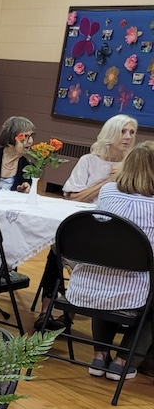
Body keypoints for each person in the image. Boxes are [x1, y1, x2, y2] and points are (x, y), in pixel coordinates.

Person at [65, 139, 154, 380]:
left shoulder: (107, 192)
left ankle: (99, 355)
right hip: (132, 291)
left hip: (88, 285)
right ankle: (124, 360)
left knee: (108, 267)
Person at [63, 113, 138, 202]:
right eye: (122, 132)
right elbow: (74, 198)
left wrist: (125, 174)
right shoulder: (88, 160)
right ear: (110, 133)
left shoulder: (133, 165)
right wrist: (111, 179)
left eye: (132, 132)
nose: (128, 137)